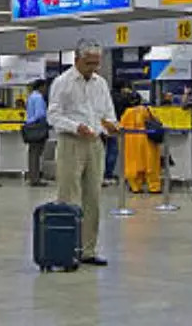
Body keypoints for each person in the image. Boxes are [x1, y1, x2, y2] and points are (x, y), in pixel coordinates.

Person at [47, 40, 119, 267]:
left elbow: (108, 112)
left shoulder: (101, 83)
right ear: (76, 59)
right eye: (89, 63)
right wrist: (75, 126)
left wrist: (111, 125)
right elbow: (53, 115)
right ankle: (65, 249)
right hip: (71, 142)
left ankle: (87, 250)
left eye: (96, 63)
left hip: (96, 143)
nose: (93, 68)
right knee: (68, 196)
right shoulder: (63, 83)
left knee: (93, 198)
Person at [120, 92, 161, 193]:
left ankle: (136, 187)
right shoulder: (148, 110)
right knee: (151, 164)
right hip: (148, 140)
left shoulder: (127, 112)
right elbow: (158, 120)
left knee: (134, 165)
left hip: (132, 142)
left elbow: (121, 126)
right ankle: (154, 187)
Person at [104, 79, 132, 185]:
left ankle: (102, 174)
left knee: (103, 151)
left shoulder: (108, 95)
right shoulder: (121, 97)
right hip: (114, 126)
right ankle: (108, 174)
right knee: (112, 150)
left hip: (103, 125)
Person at [25, 79, 49, 187]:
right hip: (37, 127)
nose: (46, 89)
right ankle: (35, 179)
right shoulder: (39, 98)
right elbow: (40, 114)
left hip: (30, 127)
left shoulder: (30, 97)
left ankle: (32, 177)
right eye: (44, 87)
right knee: (36, 153)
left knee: (32, 153)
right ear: (40, 87)